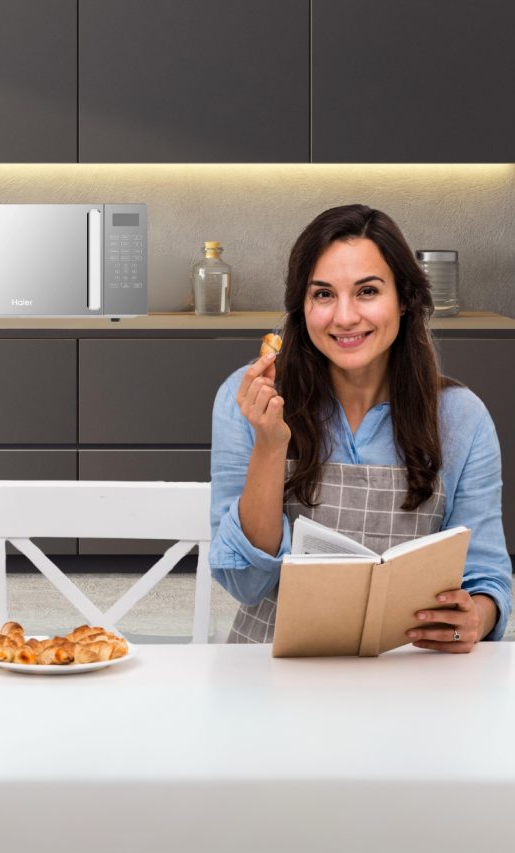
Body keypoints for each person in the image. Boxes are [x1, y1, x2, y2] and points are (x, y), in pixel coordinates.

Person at [209, 204, 512, 651]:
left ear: (405, 299)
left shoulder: (462, 417)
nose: (345, 317)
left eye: (367, 291)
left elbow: (486, 577)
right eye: (324, 294)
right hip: (268, 668)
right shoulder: (249, 399)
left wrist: (475, 617)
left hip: (408, 667)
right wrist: (270, 447)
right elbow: (245, 582)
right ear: (302, 306)